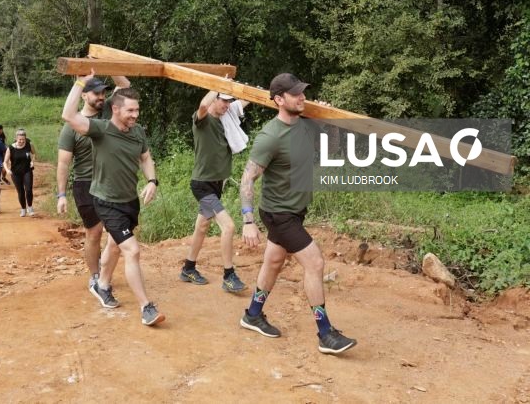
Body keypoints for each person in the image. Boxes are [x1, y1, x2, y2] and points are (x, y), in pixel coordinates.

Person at [238, 73, 357, 354]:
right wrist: (247, 221)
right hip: (279, 213)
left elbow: (334, 152)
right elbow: (247, 179)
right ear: (279, 100)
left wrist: (331, 125)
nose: (302, 97)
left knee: (274, 262)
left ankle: (253, 314)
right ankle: (325, 334)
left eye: (303, 92)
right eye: (296, 94)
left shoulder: (305, 127)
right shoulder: (270, 136)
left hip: (296, 210)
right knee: (314, 264)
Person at [62, 71, 164, 327]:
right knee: (132, 250)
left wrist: (152, 181)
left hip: (129, 199)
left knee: (115, 245)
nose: (135, 115)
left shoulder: (138, 131)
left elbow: (145, 157)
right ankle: (146, 307)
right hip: (105, 201)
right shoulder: (100, 129)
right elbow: (68, 115)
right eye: (130, 111)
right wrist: (80, 82)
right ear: (116, 110)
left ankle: (102, 284)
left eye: (137, 110)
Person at [57, 75, 130, 289]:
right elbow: (63, 163)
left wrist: (108, 64)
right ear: (84, 95)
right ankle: (95, 275)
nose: (101, 96)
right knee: (94, 232)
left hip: (110, 182)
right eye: (96, 93)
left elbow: (125, 86)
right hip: (85, 183)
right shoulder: (72, 126)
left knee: (115, 231)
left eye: (103, 92)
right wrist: (61, 195)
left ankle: (105, 270)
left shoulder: (109, 112)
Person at [180, 91, 247, 293]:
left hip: (217, 184)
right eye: (223, 101)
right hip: (202, 185)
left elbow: (244, 101)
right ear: (214, 99)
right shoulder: (203, 120)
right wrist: (216, 84)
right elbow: (202, 105)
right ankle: (229, 275)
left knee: (202, 227)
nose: (227, 105)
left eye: (229, 101)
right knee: (228, 227)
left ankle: (188, 269)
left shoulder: (227, 119)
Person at [4, 129, 37, 216]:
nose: (22, 141)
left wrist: (32, 161)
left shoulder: (29, 145)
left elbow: (34, 154)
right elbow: (5, 162)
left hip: (27, 170)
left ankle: (30, 207)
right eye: (20, 140)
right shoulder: (10, 148)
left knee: (29, 189)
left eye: (23, 139)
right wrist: (7, 170)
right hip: (15, 173)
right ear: (16, 138)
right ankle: (23, 208)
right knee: (20, 191)